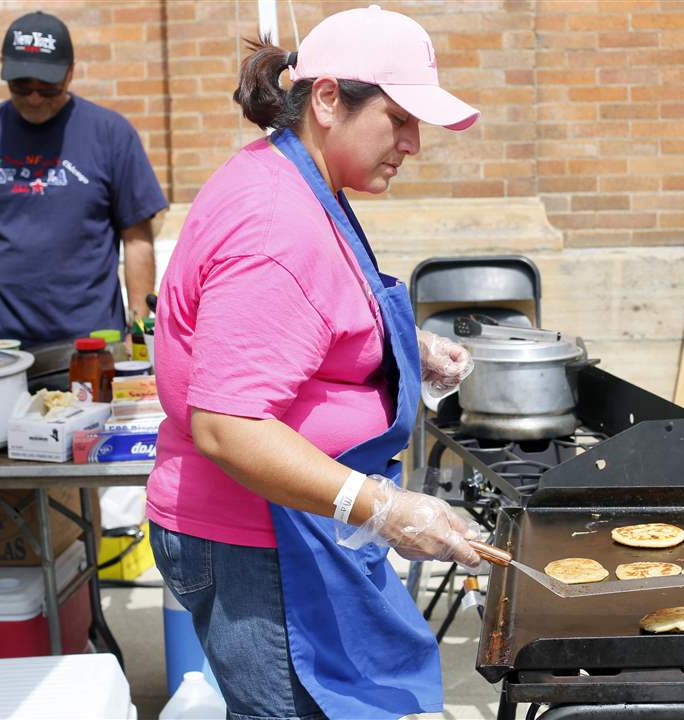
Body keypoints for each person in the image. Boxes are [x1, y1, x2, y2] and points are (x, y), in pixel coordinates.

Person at [146, 6, 481, 719]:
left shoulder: (302, 182)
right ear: (327, 99)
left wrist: (404, 349)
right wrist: (385, 509)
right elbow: (229, 426)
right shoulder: (276, 223)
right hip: (259, 540)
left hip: (297, 525)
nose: (413, 144)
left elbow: (300, 322)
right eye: (399, 119)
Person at [0, 11, 168, 347]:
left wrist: (139, 329)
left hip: (92, 344)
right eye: (22, 86)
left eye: (48, 87)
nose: (35, 98)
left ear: (70, 73)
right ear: (3, 69)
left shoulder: (111, 134)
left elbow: (137, 238)